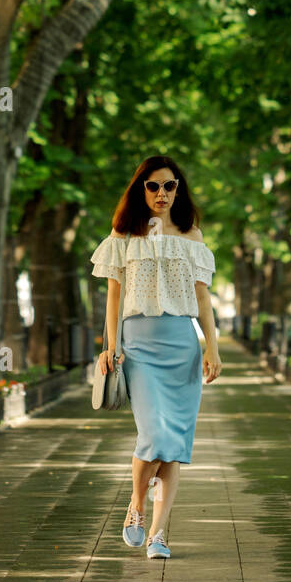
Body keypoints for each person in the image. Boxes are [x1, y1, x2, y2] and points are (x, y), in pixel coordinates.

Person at [90, 155, 222, 559]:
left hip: (181, 345)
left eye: (169, 186)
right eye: (153, 186)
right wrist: (111, 347)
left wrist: (211, 346)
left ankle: (160, 534)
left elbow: (202, 297)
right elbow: (114, 296)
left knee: (175, 445)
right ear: (140, 188)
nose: (161, 193)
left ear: (178, 189)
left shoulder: (192, 236)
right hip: (139, 347)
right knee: (155, 436)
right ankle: (137, 506)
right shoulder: (124, 233)